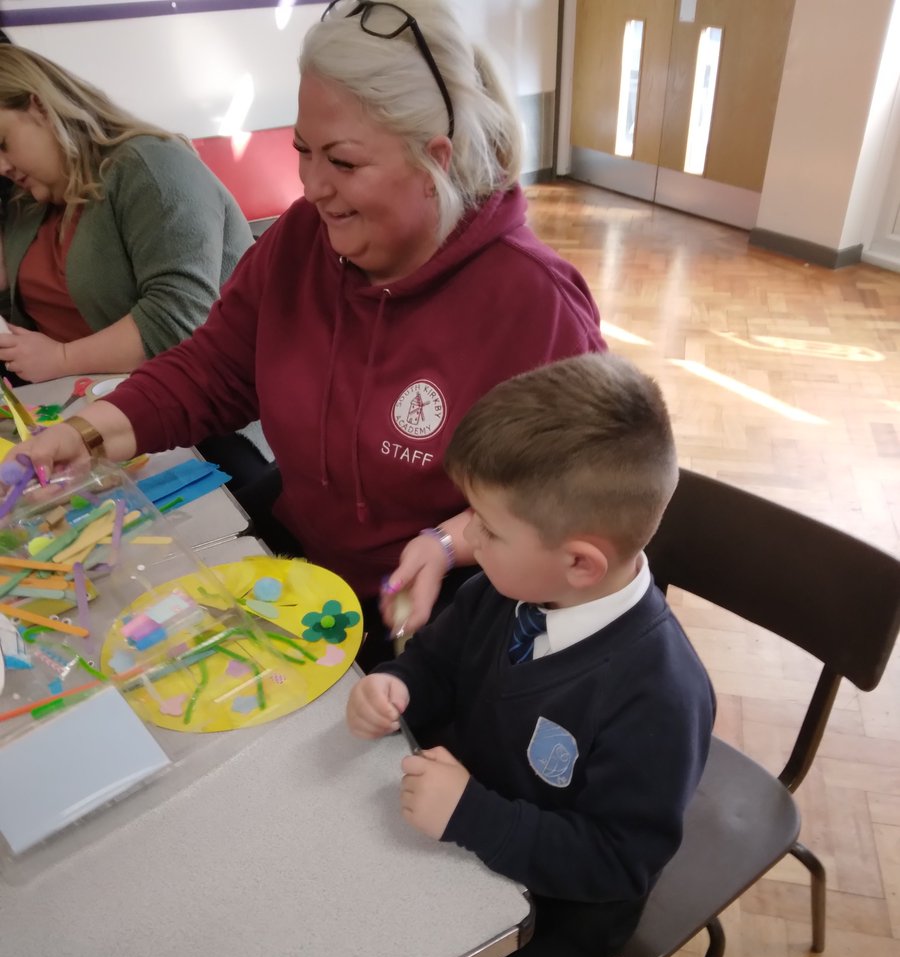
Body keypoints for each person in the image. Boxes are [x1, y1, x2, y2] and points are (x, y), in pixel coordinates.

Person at [3, 0, 604, 666]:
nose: (313, 186)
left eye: (343, 163)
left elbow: (564, 504)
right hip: (300, 576)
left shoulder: (534, 307)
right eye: (303, 152)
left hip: (433, 618)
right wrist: (84, 430)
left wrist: (443, 544)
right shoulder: (301, 242)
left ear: (435, 161)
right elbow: (211, 372)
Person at [346, 352, 716, 957]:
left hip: (568, 898)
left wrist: (473, 816)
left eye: (486, 528)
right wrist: (393, 687)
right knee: (397, 946)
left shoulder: (660, 698)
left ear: (580, 564)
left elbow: (617, 864)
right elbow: (439, 669)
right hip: (471, 831)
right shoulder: (503, 590)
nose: (465, 541)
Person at [0, 45, 255, 386]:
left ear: (41, 107)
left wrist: (62, 358)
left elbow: (179, 318)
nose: (2, 166)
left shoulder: (151, 167)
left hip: (196, 404)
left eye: (3, 143)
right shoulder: (31, 199)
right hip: (75, 400)